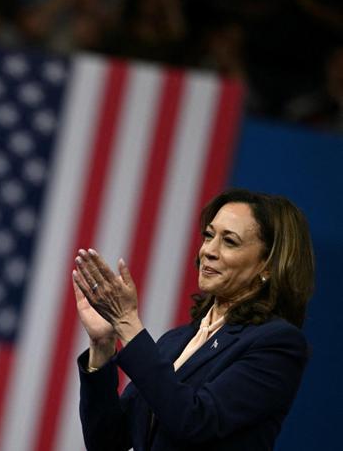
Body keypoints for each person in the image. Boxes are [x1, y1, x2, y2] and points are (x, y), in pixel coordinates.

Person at [72, 188, 314, 450]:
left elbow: (194, 421)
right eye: (209, 236)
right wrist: (103, 344)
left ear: (267, 265)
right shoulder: (175, 342)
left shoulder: (276, 345)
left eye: (229, 241)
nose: (209, 250)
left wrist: (127, 323)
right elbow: (106, 442)